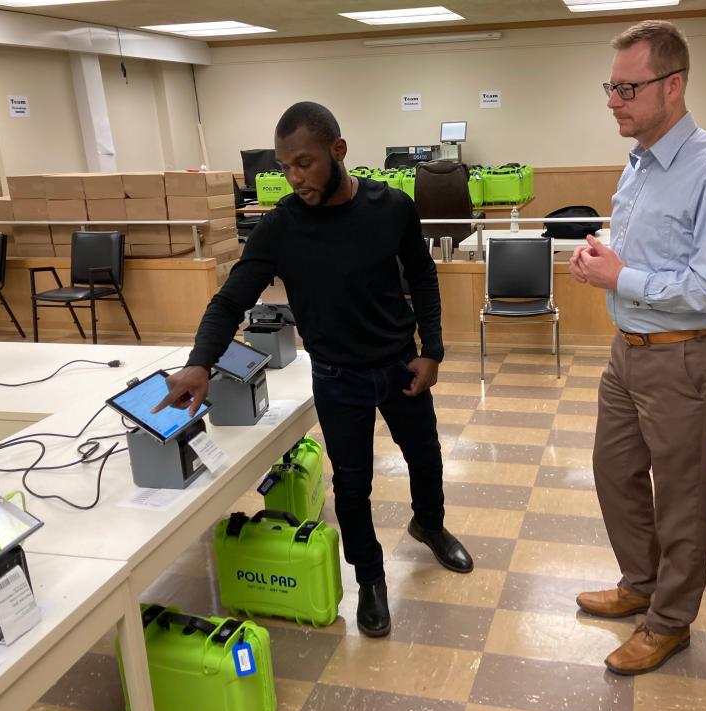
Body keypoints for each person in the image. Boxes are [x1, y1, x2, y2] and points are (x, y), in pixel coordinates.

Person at [154, 101, 473, 638]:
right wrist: (199, 363)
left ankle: (431, 526)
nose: (294, 178)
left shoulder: (390, 207)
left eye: (304, 163)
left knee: (426, 456)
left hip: (400, 365)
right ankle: (370, 579)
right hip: (336, 377)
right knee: (352, 485)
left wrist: (432, 349)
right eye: (284, 167)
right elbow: (229, 300)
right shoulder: (280, 228)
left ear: (338, 151)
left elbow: (422, 277)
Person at [569, 20, 706, 675]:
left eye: (627, 88)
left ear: (672, 86)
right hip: (629, 350)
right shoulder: (641, 163)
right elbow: (649, 250)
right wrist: (604, 254)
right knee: (613, 472)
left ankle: (670, 622)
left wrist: (623, 276)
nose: (613, 100)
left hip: (684, 356)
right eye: (610, 87)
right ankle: (640, 583)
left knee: (679, 496)